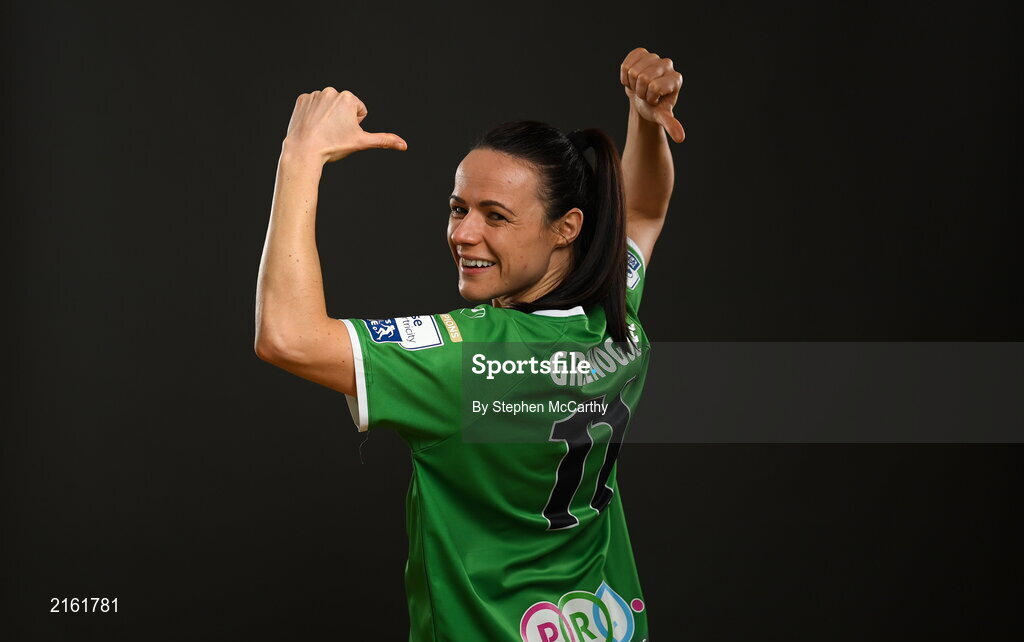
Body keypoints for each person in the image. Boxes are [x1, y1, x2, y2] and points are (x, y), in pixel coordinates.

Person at [255, 46, 684, 642]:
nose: (463, 233)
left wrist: (300, 157)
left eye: (495, 216)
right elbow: (641, 210)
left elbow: (288, 338)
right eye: (458, 208)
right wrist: (644, 118)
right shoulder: (615, 314)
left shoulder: (472, 358)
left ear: (567, 228)